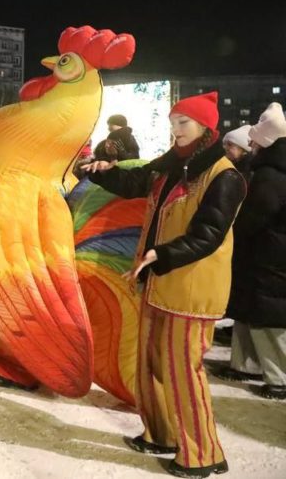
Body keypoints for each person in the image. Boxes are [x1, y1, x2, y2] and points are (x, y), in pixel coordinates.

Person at [85, 92, 246, 478]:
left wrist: (165, 253)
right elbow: (136, 180)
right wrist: (101, 170)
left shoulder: (225, 176)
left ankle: (204, 453)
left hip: (190, 289)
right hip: (158, 281)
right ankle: (161, 434)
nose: (176, 131)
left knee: (182, 369)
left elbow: (208, 234)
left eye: (183, 123)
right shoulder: (173, 164)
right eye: (173, 123)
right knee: (152, 363)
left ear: (205, 127)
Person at [220, 102, 286, 401]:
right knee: (248, 312)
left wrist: (235, 230)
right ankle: (244, 365)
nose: (250, 143)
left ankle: (280, 377)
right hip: (259, 253)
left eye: (255, 139)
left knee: (266, 317)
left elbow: (258, 214)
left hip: (267, 254)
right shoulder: (267, 171)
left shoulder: (271, 175)